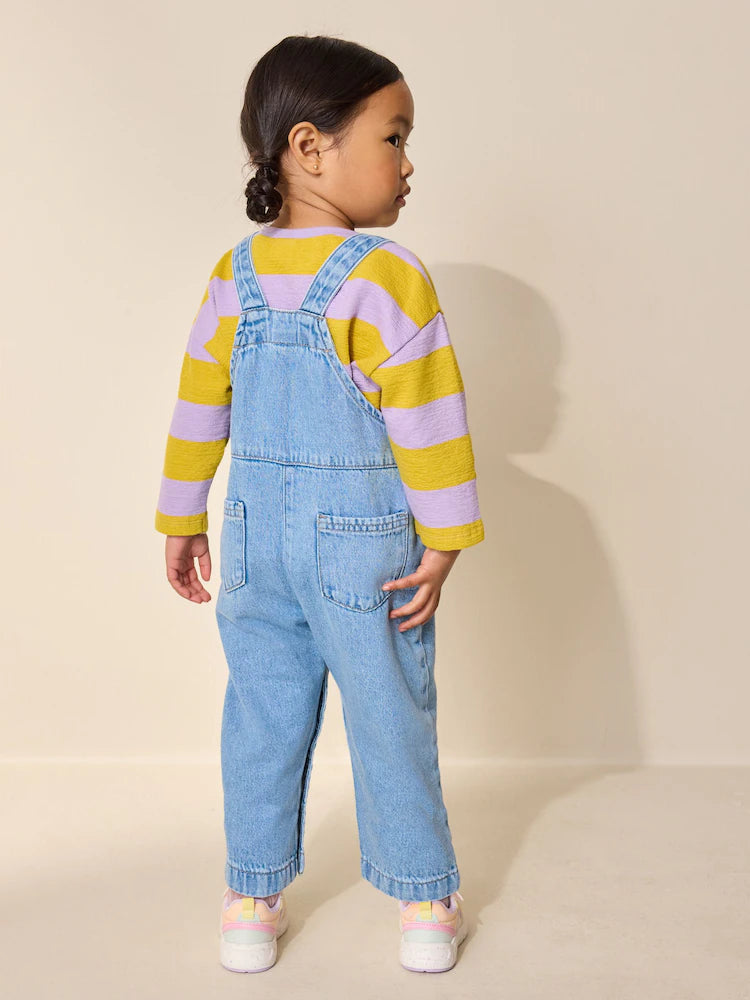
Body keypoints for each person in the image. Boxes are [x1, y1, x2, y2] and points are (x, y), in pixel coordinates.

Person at [154, 34, 484, 975]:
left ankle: (250, 901)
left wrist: (182, 516)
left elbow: (198, 406)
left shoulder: (233, 276)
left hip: (252, 538)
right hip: (361, 547)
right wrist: (445, 538)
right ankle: (425, 905)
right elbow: (429, 418)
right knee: (388, 713)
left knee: (260, 715)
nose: (409, 163)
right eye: (394, 136)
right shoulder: (385, 275)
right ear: (309, 146)